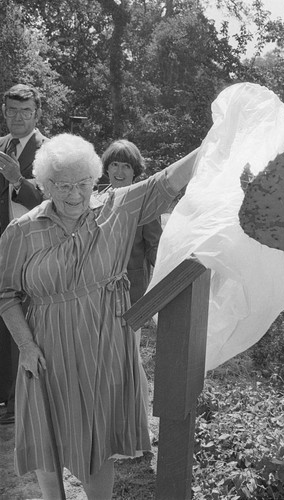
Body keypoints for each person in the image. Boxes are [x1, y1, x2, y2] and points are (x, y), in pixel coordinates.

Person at [0, 133, 198, 499]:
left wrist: (215, 140)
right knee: (47, 435)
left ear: (96, 179)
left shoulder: (118, 209)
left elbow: (165, 181)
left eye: (83, 184)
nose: (74, 195)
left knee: (97, 438)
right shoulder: (21, 231)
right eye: (62, 186)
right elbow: (6, 294)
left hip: (103, 341)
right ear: (44, 185)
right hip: (46, 348)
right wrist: (25, 346)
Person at [99, 139, 163, 421]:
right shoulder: (96, 196)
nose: (120, 171)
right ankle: (111, 419)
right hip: (97, 292)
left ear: (135, 170)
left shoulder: (144, 200)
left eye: (126, 165)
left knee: (128, 356)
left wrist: (166, 271)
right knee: (104, 358)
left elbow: (153, 247)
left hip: (131, 294)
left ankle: (139, 421)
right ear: (106, 168)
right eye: (114, 164)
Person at [0, 83, 47, 425]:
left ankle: (22, 403)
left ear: (37, 114)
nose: (18, 117)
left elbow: (51, 201)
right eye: (12, 110)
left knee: (23, 322)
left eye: (25, 111)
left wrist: (19, 180)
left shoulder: (50, 151)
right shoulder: (0, 146)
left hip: (31, 252)